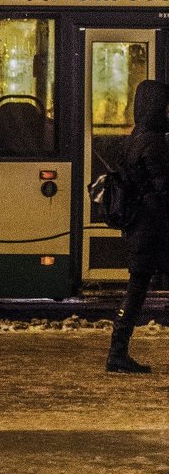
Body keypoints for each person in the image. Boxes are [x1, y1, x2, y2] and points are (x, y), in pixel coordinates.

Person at [106, 79, 169, 373]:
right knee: (136, 290)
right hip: (154, 229)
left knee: (137, 288)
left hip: (139, 227)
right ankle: (117, 353)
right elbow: (161, 188)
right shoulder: (154, 141)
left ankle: (118, 351)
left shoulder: (133, 138)